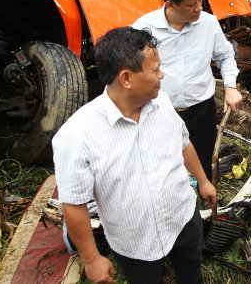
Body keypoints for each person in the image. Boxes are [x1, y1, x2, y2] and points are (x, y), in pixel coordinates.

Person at [53, 27, 218, 284]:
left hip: (183, 219)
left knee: (191, 273)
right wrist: (91, 258)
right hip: (135, 243)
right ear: (126, 78)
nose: (162, 75)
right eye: (155, 70)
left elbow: (183, 144)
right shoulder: (76, 136)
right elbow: (74, 204)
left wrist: (204, 181)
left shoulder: (161, 103)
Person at [133, 0, 243, 181]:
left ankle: (206, 206)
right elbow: (129, 70)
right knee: (159, 168)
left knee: (203, 165)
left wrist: (230, 86)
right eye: (191, 4)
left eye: (200, 1)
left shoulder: (209, 24)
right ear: (170, 4)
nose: (198, 8)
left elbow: (226, 56)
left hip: (201, 112)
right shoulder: (144, 29)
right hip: (158, 113)